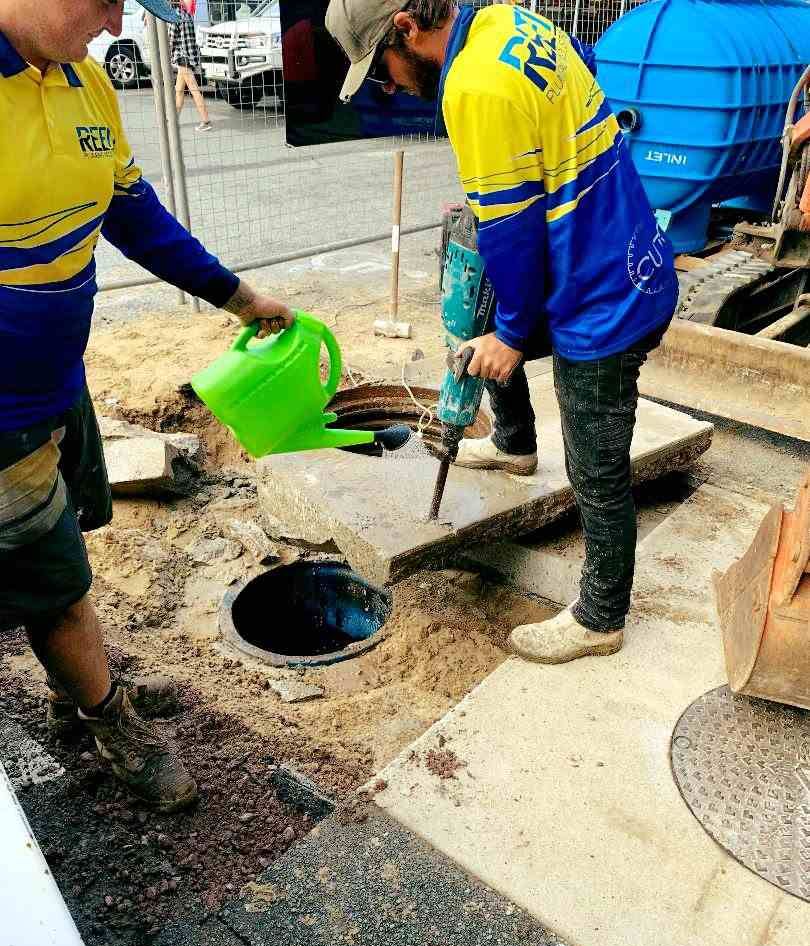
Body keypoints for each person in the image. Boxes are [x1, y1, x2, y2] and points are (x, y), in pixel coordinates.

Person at [0, 0, 294, 810]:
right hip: (1, 413)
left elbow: (135, 216)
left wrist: (238, 298)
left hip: (59, 381)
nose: (117, 22)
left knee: (70, 538)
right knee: (52, 578)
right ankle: (109, 720)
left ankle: (68, 691)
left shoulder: (85, 83)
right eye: (104, 1)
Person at [326, 0, 678, 664]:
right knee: (481, 318)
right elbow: (586, 68)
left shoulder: (474, 85)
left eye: (385, 70)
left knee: (596, 470)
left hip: (604, 294)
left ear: (406, 28)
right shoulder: (509, 21)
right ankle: (514, 444)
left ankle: (601, 617)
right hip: (613, 244)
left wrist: (513, 335)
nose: (391, 86)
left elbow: (513, 233)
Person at [170, 0, 212, 132]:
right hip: (189, 56)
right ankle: (173, 120)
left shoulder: (174, 16)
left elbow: (170, 40)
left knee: (193, 89)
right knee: (179, 90)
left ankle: (205, 120)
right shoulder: (187, 14)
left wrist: (166, 55)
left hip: (182, 57)